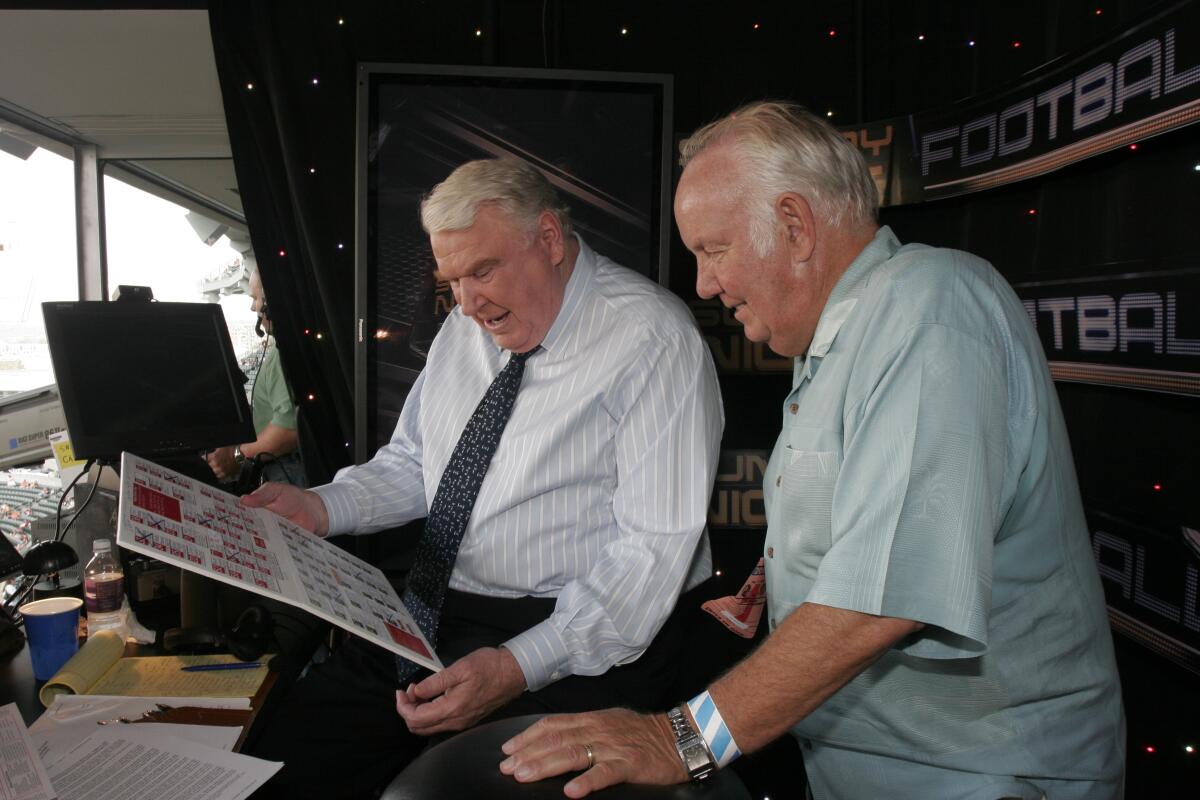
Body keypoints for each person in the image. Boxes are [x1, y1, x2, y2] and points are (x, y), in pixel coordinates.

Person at [500, 101, 1126, 800]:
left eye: (713, 250)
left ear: (795, 226)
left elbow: (877, 604)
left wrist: (680, 738)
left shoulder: (931, 308)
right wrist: (787, 581)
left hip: (984, 779)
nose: (704, 284)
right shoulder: (846, 338)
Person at [242, 158, 723, 798]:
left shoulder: (652, 338)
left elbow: (649, 558)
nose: (466, 303)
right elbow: (418, 462)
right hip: (433, 612)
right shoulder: (463, 330)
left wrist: (516, 668)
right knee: (272, 765)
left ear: (549, 238)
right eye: (452, 280)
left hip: (579, 637)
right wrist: (319, 507)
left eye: (482, 270)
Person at [206, 267, 307, 487]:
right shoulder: (283, 348)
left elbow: (288, 430)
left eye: (256, 298)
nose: (253, 306)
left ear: (271, 304)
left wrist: (237, 457)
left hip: (285, 474)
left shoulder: (283, 355)